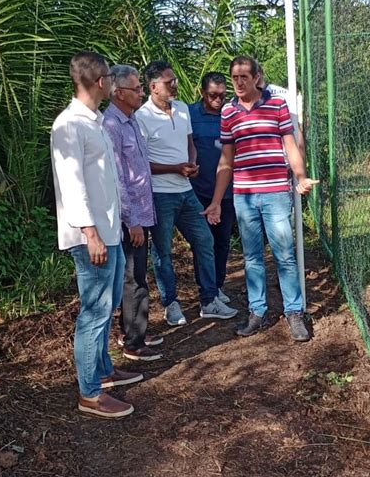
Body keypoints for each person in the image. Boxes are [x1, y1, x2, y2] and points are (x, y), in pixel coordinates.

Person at [50, 51, 143, 420]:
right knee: (94, 311)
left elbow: (104, 182)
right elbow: (73, 186)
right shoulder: (69, 125)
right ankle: (89, 392)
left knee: (107, 307)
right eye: (109, 77)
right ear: (101, 82)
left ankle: (103, 370)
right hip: (91, 236)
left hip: (109, 232)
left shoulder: (94, 121)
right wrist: (90, 233)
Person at [202, 55, 319, 341]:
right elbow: (226, 160)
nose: (239, 82)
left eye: (244, 76)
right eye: (235, 77)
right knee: (252, 258)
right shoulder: (229, 112)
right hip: (244, 196)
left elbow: (290, 146)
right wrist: (217, 200)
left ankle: (294, 313)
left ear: (256, 78)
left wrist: (300, 176)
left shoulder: (277, 105)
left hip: (276, 192)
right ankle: (257, 312)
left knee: (284, 256)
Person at [136, 60, 238, 326]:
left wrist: (191, 162)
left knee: (205, 240)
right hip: (160, 194)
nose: (174, 86)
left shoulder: (181, 110)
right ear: (153, 86)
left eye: (175, 81)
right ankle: (171, 303)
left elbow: (189, 142)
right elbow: (141, 165)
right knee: (163, 252)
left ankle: (209, 299)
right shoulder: (141, 117)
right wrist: (174, 168)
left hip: (185, 190)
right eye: (169, 82)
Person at [103, 65, 164, 362]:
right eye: (137, 89)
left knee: (138, 274)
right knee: (132, 278)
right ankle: (132, 342)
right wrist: (133, 221)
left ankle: (135, 330)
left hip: (143, 212)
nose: (141, 93)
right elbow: (118, 179)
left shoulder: (132, 121)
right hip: (131, 219)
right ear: (118, 93)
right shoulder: (111, 125)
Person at [189, 72, 235, 303]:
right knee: (202, 242)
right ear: (202, 93)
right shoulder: (189, 115)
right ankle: (205, 289)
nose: (218, 100)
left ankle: (217, 286)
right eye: (213, 95)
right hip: (198, 192)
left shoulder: (231, 113)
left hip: (226, 191)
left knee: (222, 241)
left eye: (222, 95)